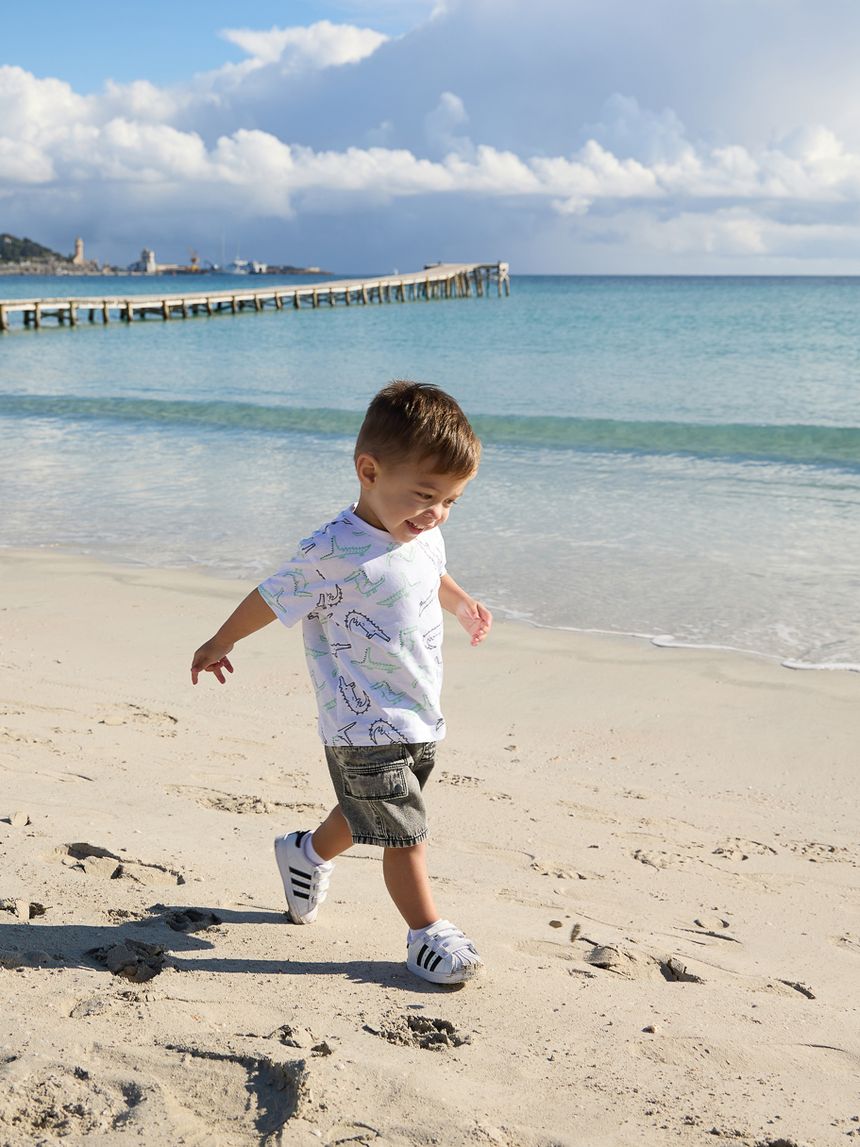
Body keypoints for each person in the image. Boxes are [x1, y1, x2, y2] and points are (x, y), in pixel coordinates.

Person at [190, 381, 492, 985]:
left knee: (368, 814)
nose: (436, 513)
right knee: (405, 832)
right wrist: (221, 640)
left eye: (452, 501)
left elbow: (432, 569)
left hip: (417, 711)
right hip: (359, 721)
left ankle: (303, 854)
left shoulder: (423, 533)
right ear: (370, 470)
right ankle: (426, 933)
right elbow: (272, 597)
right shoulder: (332, 549)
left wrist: (461, 604)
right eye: (425, 495)